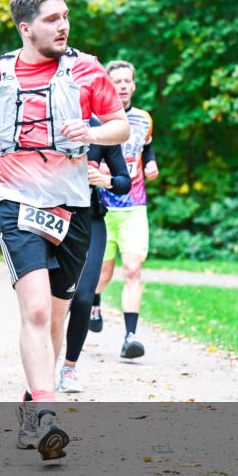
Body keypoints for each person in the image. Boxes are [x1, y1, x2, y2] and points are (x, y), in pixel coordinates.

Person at [0, 0, 128, 463]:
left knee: (56, 316)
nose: (63, 25)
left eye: (65, 16)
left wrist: (94, 130)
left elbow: (119, 124)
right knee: (34, 311)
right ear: (25, 27)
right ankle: (49, 418)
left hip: (72, 206)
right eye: (52, 19)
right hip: (16, 203)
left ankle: (33, 404)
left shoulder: (87, 69)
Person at [90, 60, 159, 360]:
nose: (121, 85)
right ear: (108, 84)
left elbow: (148, 147)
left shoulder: (144, 119)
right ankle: (93, 301)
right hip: (103, 208)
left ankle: (131, 336)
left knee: (132, 270)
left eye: (126, 80)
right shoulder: (97, 121)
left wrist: (152, 162)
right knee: (103, 273)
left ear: (133, 84)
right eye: (115, 80)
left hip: (134, 206)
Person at [58, 118, 131, 393]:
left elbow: (124, 181)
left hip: (90, 219)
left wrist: (106, 180)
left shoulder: (102, 129)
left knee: (84, 296)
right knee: (50, 298)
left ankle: (69, 368)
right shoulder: (48, 117)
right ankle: (40, 367)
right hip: (52, 215)